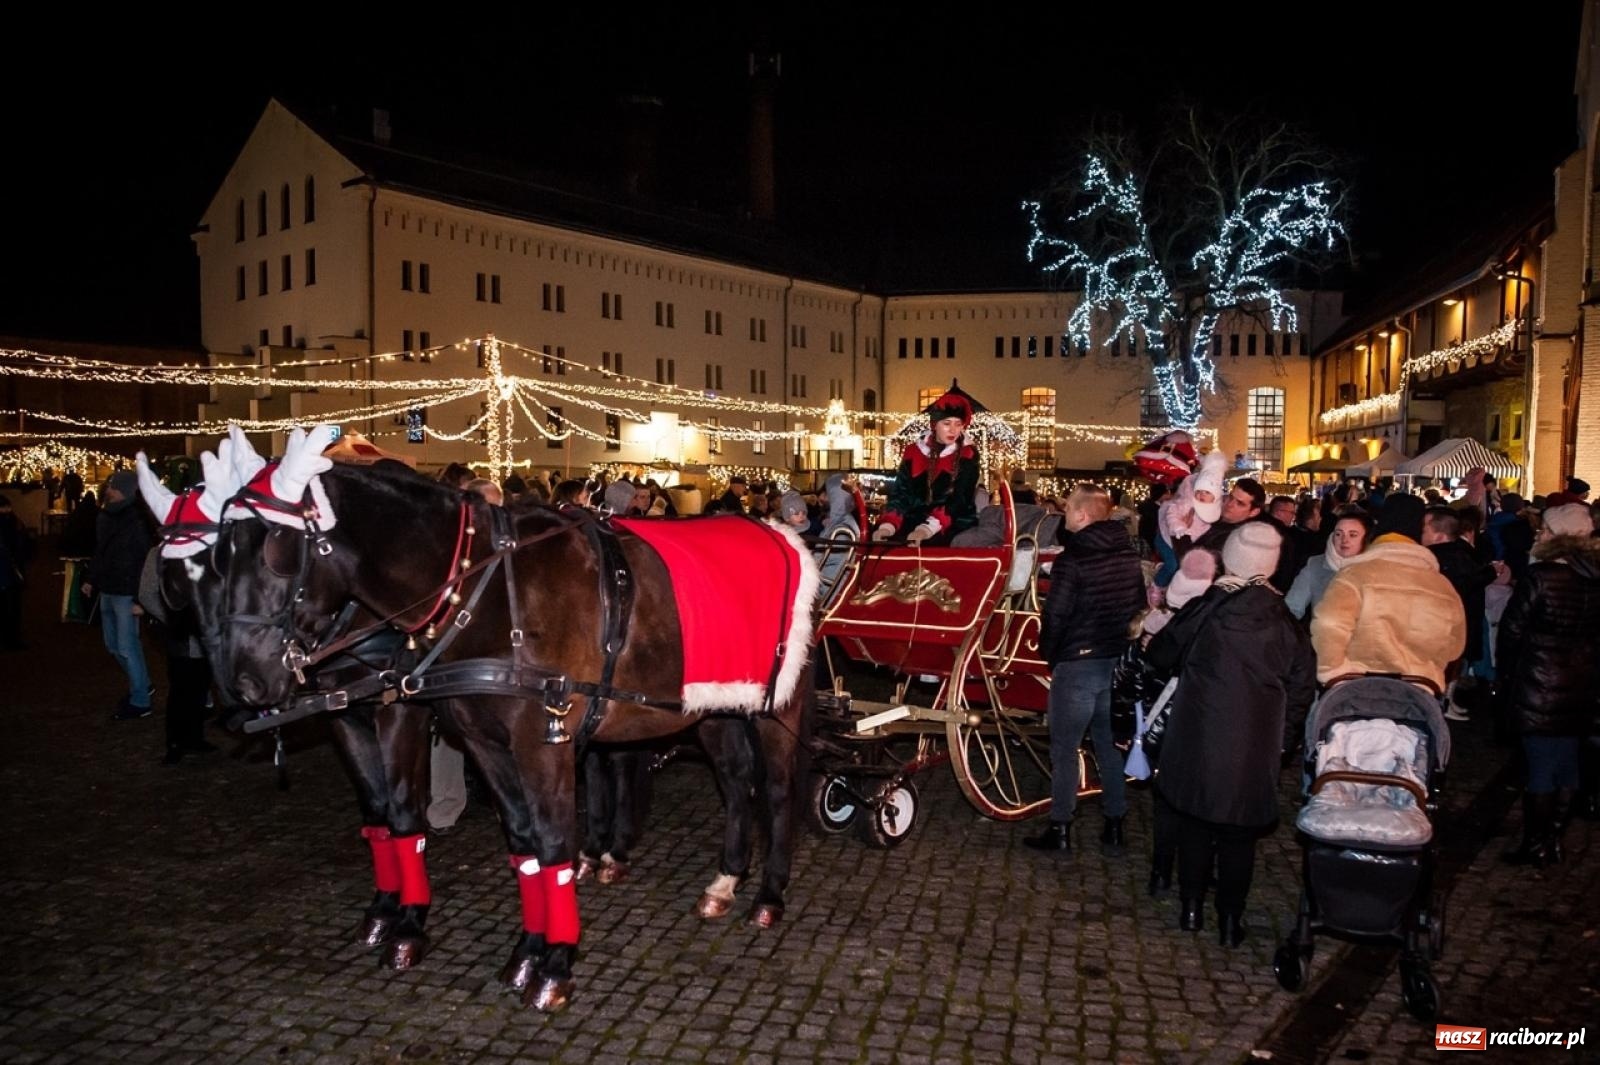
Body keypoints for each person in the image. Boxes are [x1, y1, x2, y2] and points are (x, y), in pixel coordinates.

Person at [1145, 521, 1316, 945]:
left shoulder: (1207, 610)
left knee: (1195, 824)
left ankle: (1190, 908)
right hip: (1255, 742)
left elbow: (1161, 655)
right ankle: (1229, 920)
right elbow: (1302, 686)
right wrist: (1283, 739)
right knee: (1239, 837)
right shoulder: (1285, 622)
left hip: (1198, 733)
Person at [1024, 485, 1145, 856]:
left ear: (1081, 515)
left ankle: (1060, 828)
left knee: (1064, 749)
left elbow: (1056, 614)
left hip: (1078, 663)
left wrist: (1051, 653)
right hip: (1115, 662)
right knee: (1108, 747)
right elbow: (1138, 607)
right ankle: (1114, 824)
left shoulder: (1072, 559)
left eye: (1068, 511)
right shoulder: (1128, 555)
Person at [1496, 503, 1600, 866]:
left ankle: (1536, 843)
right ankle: (1553, 836)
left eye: (1545, 530)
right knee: (1568, 763)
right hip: (1582, 684)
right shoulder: (1594, 577)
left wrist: (1507, 674)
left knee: (1540, 765)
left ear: (1559, 537)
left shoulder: (1541, 577)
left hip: (1539, 684)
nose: (1538, 534)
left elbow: (1512, 630)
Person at [1309, 494, 1466, 693]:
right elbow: (1454, 645)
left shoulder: (1355, 575)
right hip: (1419, 691)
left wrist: (1332, 673)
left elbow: (1329, 623)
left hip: (1358, 687)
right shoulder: (1442, 586)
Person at [872, 381, 983, 546]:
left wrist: (926, 529)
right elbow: (900, 494)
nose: (953, 430)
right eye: (947, 423)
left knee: (932, 543)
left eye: (958, 424)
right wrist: (888, 526)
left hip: (953, 522)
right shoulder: (914, 452)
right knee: (880, 542)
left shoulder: (968, 454)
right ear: (935, 425)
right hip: (915, 519)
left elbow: (959, 500)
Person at [82, 470, 155, 719]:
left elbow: (144, 559)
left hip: (126, 590)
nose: (108, 489)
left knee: (126, 646)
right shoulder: (105, 516)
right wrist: (92, 579)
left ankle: (140, 700)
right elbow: (101, 550)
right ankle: (142, 684)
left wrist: (139, 597)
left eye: (112, 485)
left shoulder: (137, 518)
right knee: (113, 645)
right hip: (109, 587)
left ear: (120, 489)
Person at [136, 547, 216, 764]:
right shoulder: (160, 553)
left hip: (205, 632)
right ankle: (175, 742)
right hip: (182, 634)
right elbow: (147, 592)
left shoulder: (207, 548)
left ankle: (194, 737)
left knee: (201, 684)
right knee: (181, 688)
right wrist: (171, 619)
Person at [1422, 506, 1499, 722]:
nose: (1421, 534)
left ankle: (1445, 702)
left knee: (1451, 665)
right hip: (1462, 619)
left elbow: (1463, 585)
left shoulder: (1443, 557)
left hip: (1453, 621)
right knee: (1453, 665)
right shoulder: (1458, 554)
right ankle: (1446, 701)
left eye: (1425, 529)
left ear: (1439, 534)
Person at [1285, 512, 1371, 620]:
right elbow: (1292, 607)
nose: (1344, 540)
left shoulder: (1376, 569)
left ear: (1365, 539)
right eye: (1338, 534)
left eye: (1352, 535)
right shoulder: (1315, 565)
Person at [0, 495, 33, 650]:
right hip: (12, 570)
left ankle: (10, 637)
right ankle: (12, 638)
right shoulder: (15, 523)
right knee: (12, 606)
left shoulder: (14, 523)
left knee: (9, 606)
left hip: (9, 570)